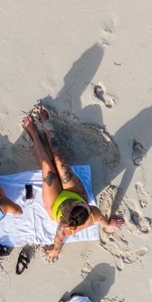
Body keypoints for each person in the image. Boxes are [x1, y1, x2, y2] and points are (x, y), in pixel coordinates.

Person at [21, 106, 124, 260]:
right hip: (74, 192)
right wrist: (109, 224)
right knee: (59, 160)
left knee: (47, 167)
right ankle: (48, 126)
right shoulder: (93, 213)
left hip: (55, 204)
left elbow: (58, 241)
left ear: (68, 214)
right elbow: (103, 220)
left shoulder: (63, 226)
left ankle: (35, 135)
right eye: (82, 204)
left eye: (72, 206)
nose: (72, 204)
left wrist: (55, 251)